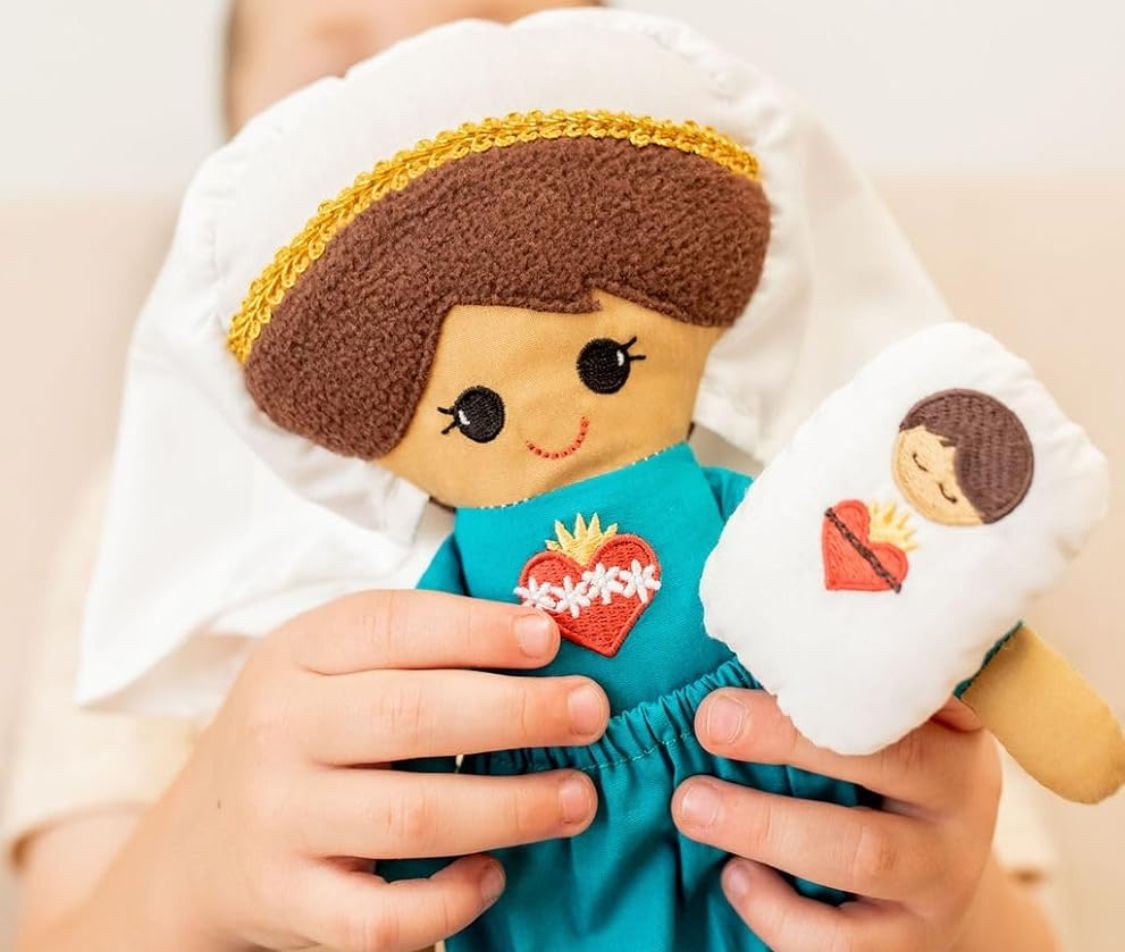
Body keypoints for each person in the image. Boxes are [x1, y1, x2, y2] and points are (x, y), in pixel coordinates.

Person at [6, 3, 1059, 950]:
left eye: (504, 40)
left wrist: (953, 910)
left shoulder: (791, 475)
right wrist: (191, 864)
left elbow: (1030, 921)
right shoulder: (155, 543)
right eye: (339, 78)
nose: (430, 124)